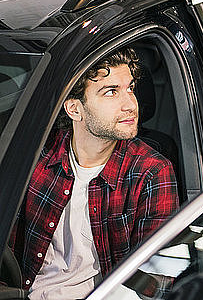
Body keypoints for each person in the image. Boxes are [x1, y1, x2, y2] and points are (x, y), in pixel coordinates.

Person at [9, 47, 179, 300]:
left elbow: (155, 284)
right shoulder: (36, 156)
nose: (130, 104)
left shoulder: (151, 171)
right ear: (74, 109)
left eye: (130, 88)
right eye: (111, 92)